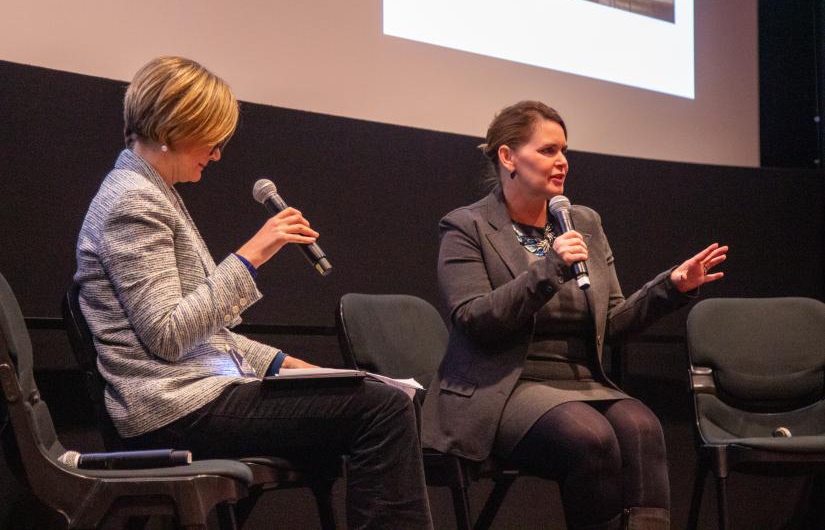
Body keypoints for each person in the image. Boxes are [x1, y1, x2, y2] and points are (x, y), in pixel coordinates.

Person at [74, 56, 432, 529]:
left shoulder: (152, 192)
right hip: (172, 409)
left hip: (198, 394)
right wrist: (254, 254)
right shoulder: (132, 202)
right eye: (212, 137)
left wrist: (290, 366)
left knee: (373, 395)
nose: (218, 153)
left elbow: (205, 337)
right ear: (173, 127)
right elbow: (168, 333)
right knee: (381, 409)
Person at [421, 101, 728, 530]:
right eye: (548, 150)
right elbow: (475, 320)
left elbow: (614, 321)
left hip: (582, 382)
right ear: (508, 156)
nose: (562, 161)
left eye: (565, 150)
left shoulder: (582, 221)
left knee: (643, 428)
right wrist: (549, 269)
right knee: (589, 436)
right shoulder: (466, 227)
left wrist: (671, 287)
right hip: (504, 386)